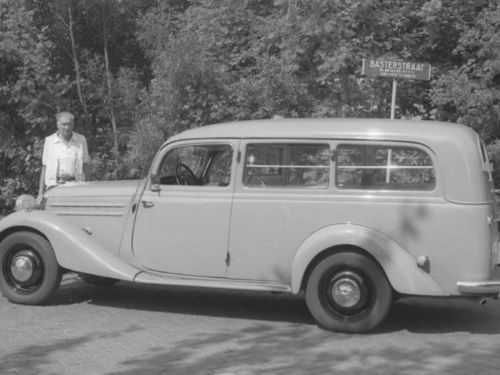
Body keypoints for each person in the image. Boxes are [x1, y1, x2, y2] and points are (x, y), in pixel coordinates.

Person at [36, 112, 90, 203]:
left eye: (69, 124)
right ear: (57, 125)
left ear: (73, 124)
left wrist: (88, 189)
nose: (67, 127)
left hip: (76, 187)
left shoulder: (81, 140)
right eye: (63, 124)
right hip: (54, 188)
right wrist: (40, 193)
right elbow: (44, 167)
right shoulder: (49, 141)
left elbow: (86, 165)